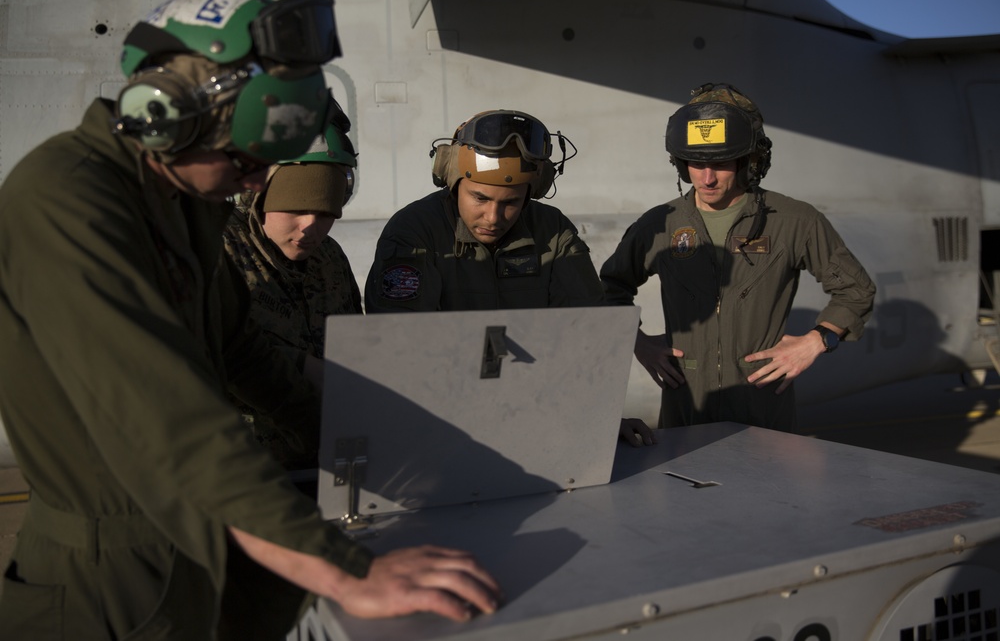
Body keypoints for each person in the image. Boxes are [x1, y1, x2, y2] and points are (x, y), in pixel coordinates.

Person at [0, 0, 499, 640]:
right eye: (244, 160)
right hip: (109, 590)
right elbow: (172, 420)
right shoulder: (66, 199)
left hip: (212, 555)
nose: (258, 183)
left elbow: (243, 354)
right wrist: (347, 571)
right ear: (166, 115)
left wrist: (376, 442)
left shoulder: (181, 201)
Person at [365, 109, 653, 445]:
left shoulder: (552, 230)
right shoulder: (415, 232)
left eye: (512, 203)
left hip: (536, 417)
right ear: (454, 180)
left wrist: (599, 413)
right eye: (479, 198)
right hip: (440, 421)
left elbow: (586, 329)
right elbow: (402, 343)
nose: (493, 217)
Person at [600, 83, 876, 432]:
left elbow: (856, 290)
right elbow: (610, 287)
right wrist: (637, 342)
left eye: (720, 163)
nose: (707, 177)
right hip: (685, 407)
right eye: (696, 164)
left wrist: (817, 340)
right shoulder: (659, 224)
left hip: (762, 407)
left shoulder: (793, 221)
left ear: (748, 161)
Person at [224, 117, 361, 470]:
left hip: (325, 462)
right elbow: (200, 357)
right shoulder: (218, 251)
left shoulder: (329, 257)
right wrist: (302, 367)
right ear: (259, 195)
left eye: (325, 213)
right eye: (296, 210)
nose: (309, 228)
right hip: (245, 470)